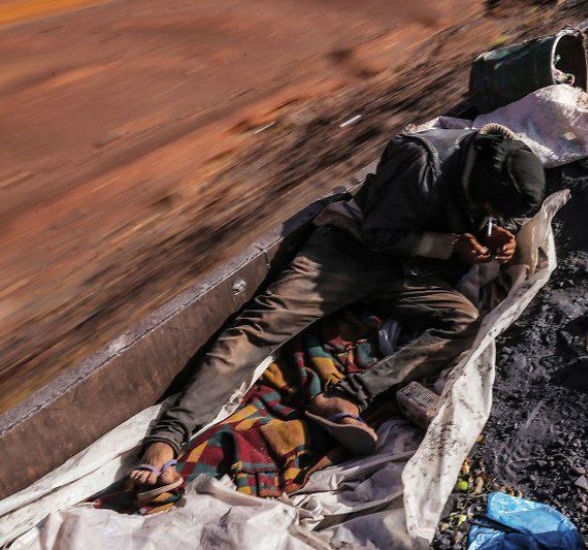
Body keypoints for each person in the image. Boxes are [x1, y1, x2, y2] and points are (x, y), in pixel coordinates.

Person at [128, 124, 548, 496]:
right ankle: (167, 439)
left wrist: (503, 237)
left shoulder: (498, 172)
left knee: (465, 321)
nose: (496, 218)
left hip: (404, 272)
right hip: (345, 254)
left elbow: (501, 217)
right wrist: (451, 247)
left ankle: (346, 397)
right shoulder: (421, 158)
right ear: (479, 183)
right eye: (495, 211)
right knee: (257, 330)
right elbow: (378, 234)